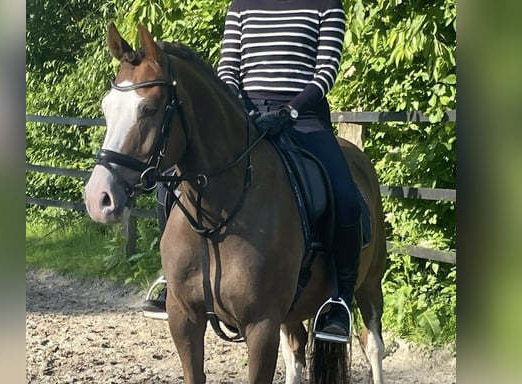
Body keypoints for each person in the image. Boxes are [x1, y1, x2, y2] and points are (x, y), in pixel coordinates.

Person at [144, 0, 361, 340]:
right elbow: (228, 68)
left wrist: (289, 112)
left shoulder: (326, 4)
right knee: (171, 180)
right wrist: (238, 110)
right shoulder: (242, 5)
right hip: (243, 116)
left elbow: (325, 73)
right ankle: (172, 280)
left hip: (303, 120)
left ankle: (339, 302)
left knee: (346, 198)